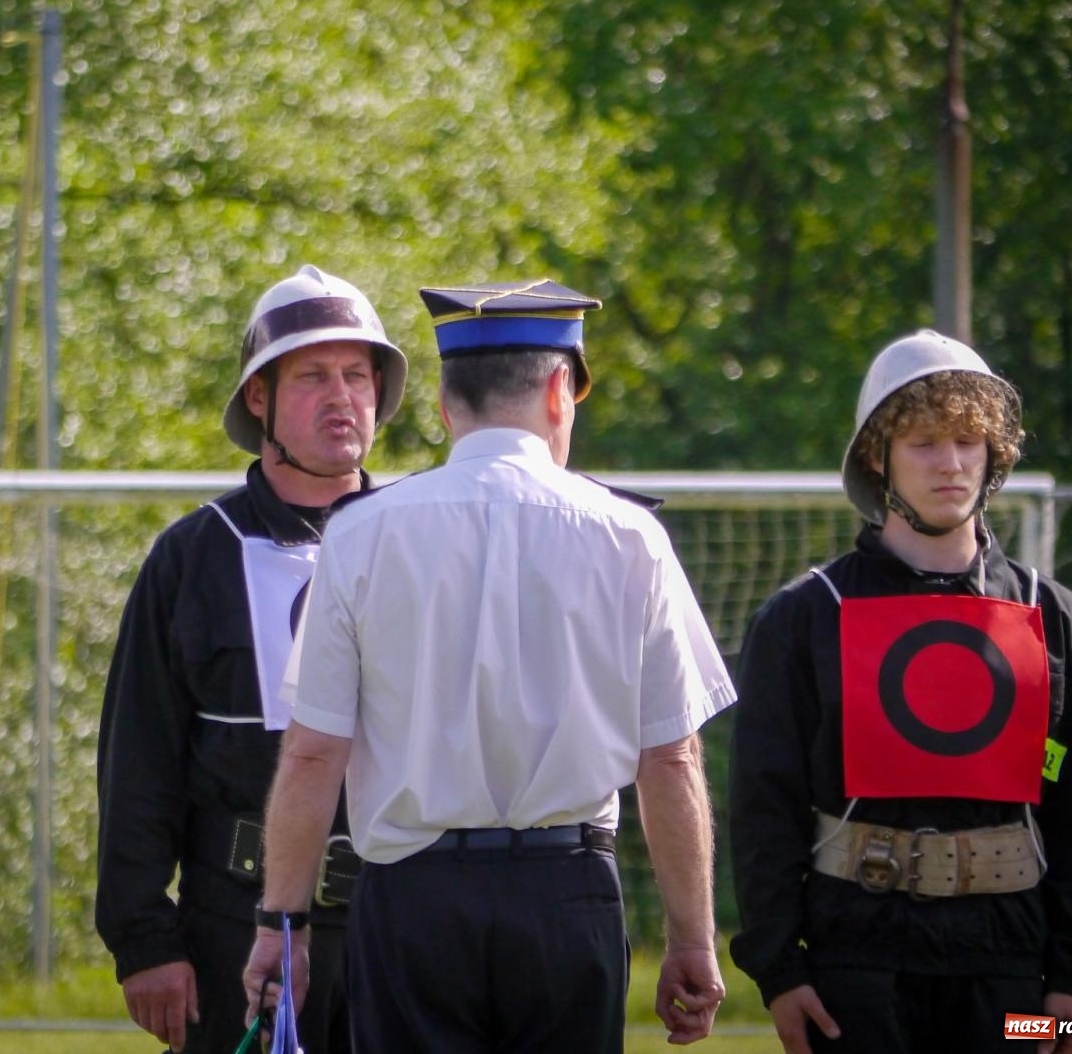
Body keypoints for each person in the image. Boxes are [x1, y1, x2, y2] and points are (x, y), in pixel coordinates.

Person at [242, 279, 737, 1053]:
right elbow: (670, 759)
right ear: (558, 392)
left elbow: (313, 755)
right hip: (566, 894)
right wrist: (691, 938)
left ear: (446, 406)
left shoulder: (361, 534)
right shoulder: (629, 535)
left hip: (412, 901)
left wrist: (284, 924)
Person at [729, 329, 1072, 1053]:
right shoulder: (804, 617)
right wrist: (780, 969)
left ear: (994, 451)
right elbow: (763, 805)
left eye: (969, 441)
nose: (951, 464)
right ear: (878, 455)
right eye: (925, 443)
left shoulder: (1055, 615)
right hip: (854, 962)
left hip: (1012, 963)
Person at [95, 265, 407, 1054]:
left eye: (357, 375)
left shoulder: (423, 542)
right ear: (258, 398)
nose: (341, 397)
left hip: (398, 928)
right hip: (232, 927)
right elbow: (138, 763)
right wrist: (144, 939)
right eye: (312, 376)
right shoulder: (191, 558)